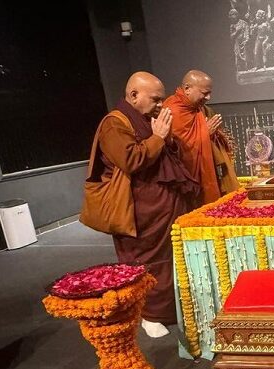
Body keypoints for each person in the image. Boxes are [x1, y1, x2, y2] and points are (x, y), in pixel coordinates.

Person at [85, 72, 199, 338]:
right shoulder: (114, 124)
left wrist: (166, 139)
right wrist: (158, 137)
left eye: (161, 99)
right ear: (134, 95)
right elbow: (131, 160)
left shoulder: (149, 120)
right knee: (146, 261)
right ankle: (149, 314)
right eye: (155, 99)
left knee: (171, 258)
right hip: (139, 210)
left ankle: (170, 309)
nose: (160, 104)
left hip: (163, 205)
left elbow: (167, 155)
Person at [164, 70, 239, 207]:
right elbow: (177, 152)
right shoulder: (173, 111)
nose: (208, 97)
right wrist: (205, 133)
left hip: (207, 172)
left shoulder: (200, 109)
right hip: (186, 183)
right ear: (187, 88)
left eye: (210, 93)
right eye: (204, 93)